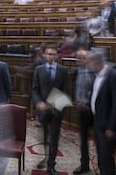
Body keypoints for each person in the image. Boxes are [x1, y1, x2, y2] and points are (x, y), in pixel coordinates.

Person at [87, 51, 116, 175]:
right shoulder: (98, 75)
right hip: (98, 121)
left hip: (108, 126)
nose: (89, 66)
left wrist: (112, 127)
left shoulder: (113, 76)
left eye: (91, 63)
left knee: (106, 156)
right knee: (101, 155)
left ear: (97, 62)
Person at [31, 45, 69, 175]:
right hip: (43, 110)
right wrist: (39, 102)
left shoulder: (63, 70)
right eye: (48, 54)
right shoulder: (38, 69)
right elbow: (35, 90)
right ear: (44, 55)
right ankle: (45, 158)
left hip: (56, 110)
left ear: (57, 56)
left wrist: (56, 103)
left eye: (53, 54)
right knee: (44, 136)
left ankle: (51, 165)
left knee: (54, 138)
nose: (50, 56)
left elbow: (65, 91)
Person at [73, 50, 95, 174]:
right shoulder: (79, 70)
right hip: (82, 110)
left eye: (82, 58)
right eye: (78, 58)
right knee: (83, 139)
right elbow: (79, 87)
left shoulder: (92, 71)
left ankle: (106, 166)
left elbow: (96, 91)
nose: (79, 61)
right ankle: (84, 164)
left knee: (100, 140)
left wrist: (86, 101)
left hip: (92, 110)